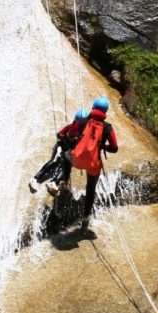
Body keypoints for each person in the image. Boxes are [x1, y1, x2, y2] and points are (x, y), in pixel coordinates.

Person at [69, 96, 118, 230]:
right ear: (105, 111)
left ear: (93, 107)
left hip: (77, 159)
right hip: (93, 163)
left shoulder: (83, 121)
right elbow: (114, 148)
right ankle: (85, 219)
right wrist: (102, 147)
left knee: (66, 157)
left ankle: (60, 180)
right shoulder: (108, 127)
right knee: (90, 189)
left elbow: (71, 135)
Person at [29, 109, 88, 194]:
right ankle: (36, 179)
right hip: (60, 147)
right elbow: (59, 134)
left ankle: (54, 183)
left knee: (65, 167)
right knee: (55, 161)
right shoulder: (70, 127)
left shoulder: (83, 134)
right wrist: (66, 140)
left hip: (67, 152)